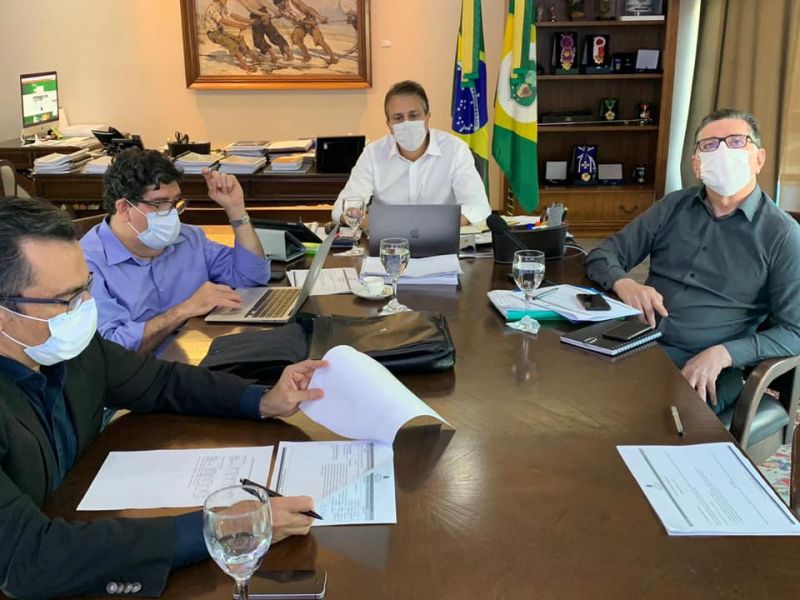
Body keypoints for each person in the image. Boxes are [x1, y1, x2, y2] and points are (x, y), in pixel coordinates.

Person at [0, 196, 326, 599]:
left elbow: (159, 382)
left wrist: (262, 400)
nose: (84, 309)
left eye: (87, 289)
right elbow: (29, 559)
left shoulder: (66, 348)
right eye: (66, 299)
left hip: (80, 519)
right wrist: (221, 527)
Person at [585, 109, 800, 414]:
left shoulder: (783, 235)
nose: (723, 153)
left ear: (759, 158)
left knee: (649, 424)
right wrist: (625, 283)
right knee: (569, 393)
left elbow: (795, 330)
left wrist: (725, 353)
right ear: (697, 164)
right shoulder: (673, 206)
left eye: (736, 142)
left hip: (707, 364)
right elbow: (602, 255)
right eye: (710, 145)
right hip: (638, 342)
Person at [80, 148, 269, 355]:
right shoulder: (85, 264)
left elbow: (252, 278)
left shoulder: (188, 238)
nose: (172, 215)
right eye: (160, 204)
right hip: (142, 370)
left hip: (199, 352)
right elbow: (113, 351)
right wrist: (184, 309)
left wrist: (236, 210)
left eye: (175, 202)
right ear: (124, 208)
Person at [331, 80, 492, 227]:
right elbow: (341, 209)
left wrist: (436, 225)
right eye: (398, 118)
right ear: (389, 125)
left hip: (442, 240)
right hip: (387, 242)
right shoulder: (372, 154)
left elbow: (479, 207)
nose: (406, 123)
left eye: (413, 115)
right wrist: (363, 219)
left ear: (427, 118)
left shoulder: (455, 149)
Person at [203, 0, 260, 72]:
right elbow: (223, 21)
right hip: (213, 33)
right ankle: (243, 65)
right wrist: (239, 25)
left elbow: (234, 16)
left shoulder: (222, 7)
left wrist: (250, 21)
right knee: (232, 44)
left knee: (239, 40)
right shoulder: (212, 8)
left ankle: (253, 57)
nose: (226, 1)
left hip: (220, 32)